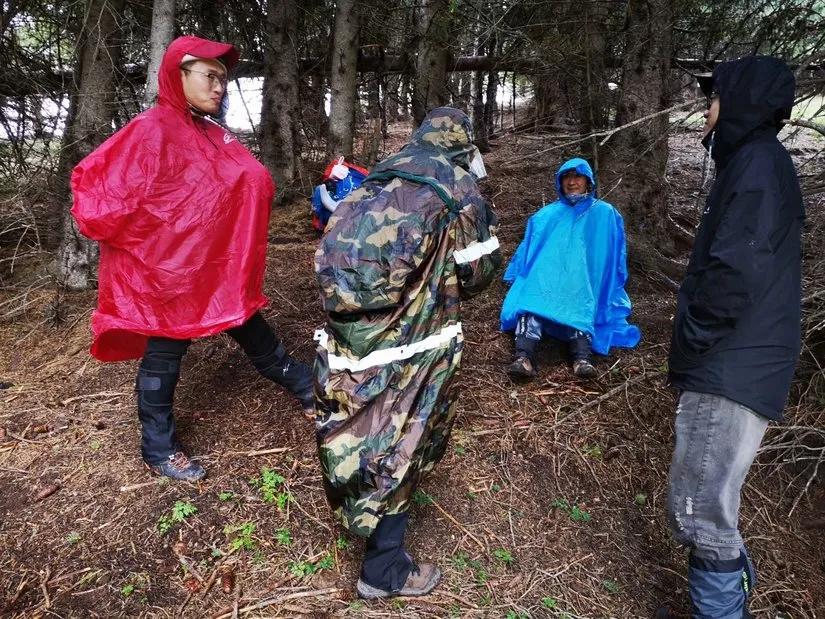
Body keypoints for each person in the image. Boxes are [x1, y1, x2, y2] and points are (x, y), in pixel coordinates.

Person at [70, 36, 313, 482]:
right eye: (210, 76)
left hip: (215, 268)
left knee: (245, 320)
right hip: (169, 276)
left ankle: (304, 385)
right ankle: (158, 448)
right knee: (165, 350)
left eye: (224, 79)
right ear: (176, 75)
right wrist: (157, 235)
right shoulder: (150, 130)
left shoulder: (212, 132)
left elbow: (240, 184)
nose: (219, 87)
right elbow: (98, 196)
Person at [313, 107, 501, 599]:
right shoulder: (458, 186)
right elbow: (478, 275)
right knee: (404, 438)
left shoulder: (379, 172)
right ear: (463, 144)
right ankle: (384, 571)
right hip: (414, 339)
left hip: (351, 335)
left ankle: (363, 517)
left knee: (358, 428)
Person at [661, 56, 802, 618]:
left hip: (730, 367)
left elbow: (734, 272)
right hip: (739, 364)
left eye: (714, 100)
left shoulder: (758, 169)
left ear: (739, 102)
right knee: (706, 508)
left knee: (700, 512)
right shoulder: (755, 164)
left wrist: (693, 339)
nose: (708, 114)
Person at [499, 158, 640, 380]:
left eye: (577, 177)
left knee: (581, 301)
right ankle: (523, 357)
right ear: (560, 181)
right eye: (567, 177)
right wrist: (516, 273)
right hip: (545, 280)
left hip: (582, 282)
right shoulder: (545, 216)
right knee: (530, 300)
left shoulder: (605, 214)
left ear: (588, 181)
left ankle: (582, 359)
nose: (572, 182)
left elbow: (614, 252)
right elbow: (528, 248)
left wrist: (613, 281)